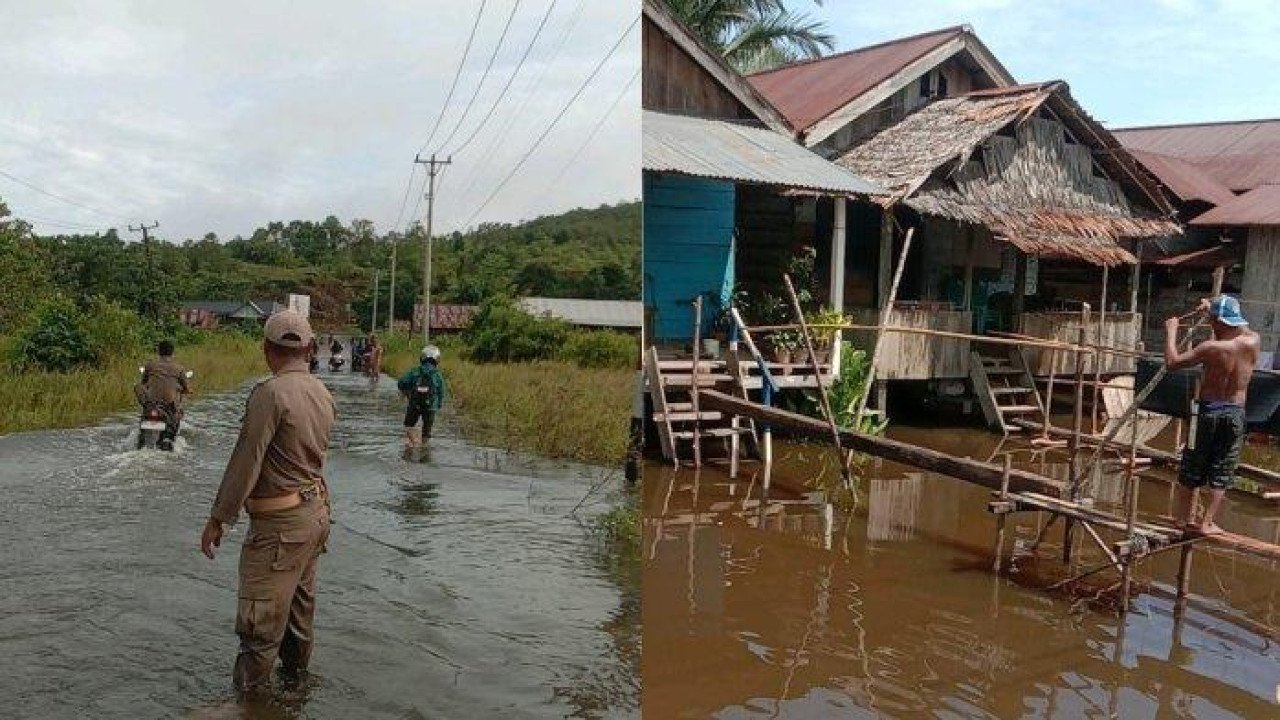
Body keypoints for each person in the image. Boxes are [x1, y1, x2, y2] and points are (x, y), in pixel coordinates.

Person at [200, 309, 335, 694]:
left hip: (281, 527)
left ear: (266, 349)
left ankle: (251, 706)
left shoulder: (270, 394)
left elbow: (247, 460)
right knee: (297, 619)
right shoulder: (322, 392)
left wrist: (219, 518)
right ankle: (294, 694)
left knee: (259, 629)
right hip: (315, 516)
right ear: (310, 349)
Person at [1165, 295, 1260, 534]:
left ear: (1218, 322)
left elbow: (1172, 363)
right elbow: (1240, 328)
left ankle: (1182, 519)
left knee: (1192, 463)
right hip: (1235, 413)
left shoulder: (1211, 348)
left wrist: (1171, 330)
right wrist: (1212, 310)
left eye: (1213, 322)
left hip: (1206, 412)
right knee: (1223, 466)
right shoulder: (1253, 341)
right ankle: (1206, 522)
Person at [135, 339, 190, 450]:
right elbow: (186, 387)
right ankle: (168, 438)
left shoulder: (150, 365)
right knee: (177, 413)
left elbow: (143, 383)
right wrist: (187, 390)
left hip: (150, 404)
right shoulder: (179, 368)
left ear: (158, 351)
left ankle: (144, 438)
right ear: (172, 352)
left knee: (138, 389)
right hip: (168, 406)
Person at [397, 345, 446, 447]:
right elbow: (441, 392)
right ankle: (424, 451)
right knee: (426, 433)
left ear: (422, 358)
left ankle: (412, 445)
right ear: (436, 360)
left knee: (409, 426)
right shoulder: (437, 375)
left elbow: (401, 383)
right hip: (431, 406)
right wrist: (439, 405)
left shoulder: (415, 371)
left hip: (414, 404)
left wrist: (407, 393)